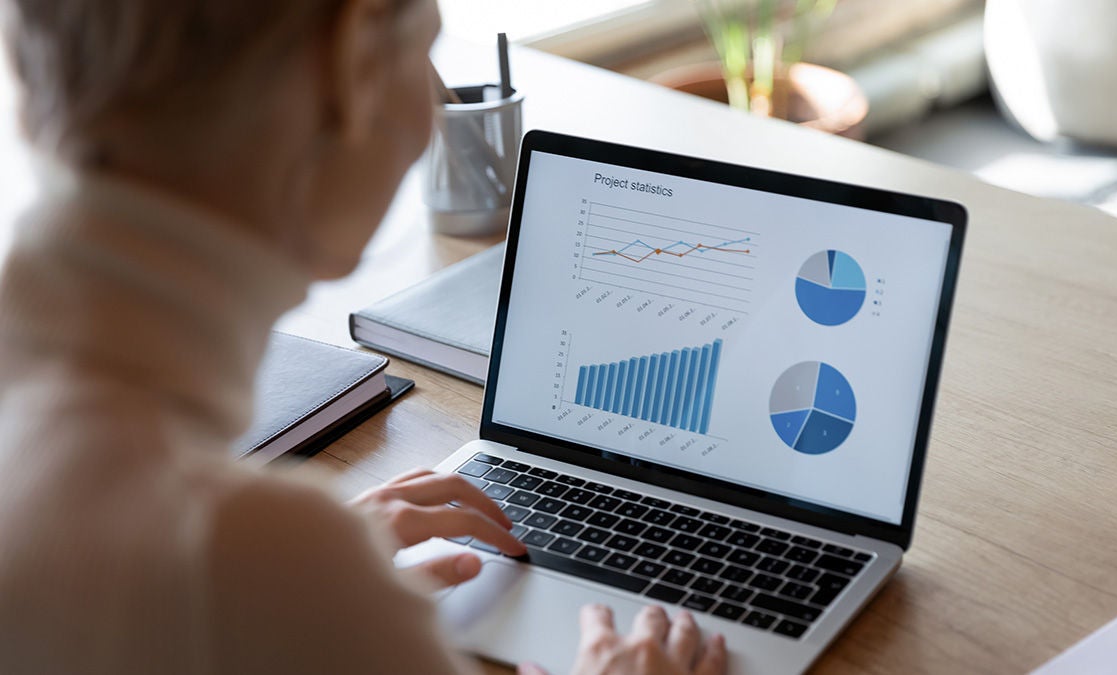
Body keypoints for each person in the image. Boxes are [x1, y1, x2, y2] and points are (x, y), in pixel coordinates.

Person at [0, 0, 728, 673]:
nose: (433, 111)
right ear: (351, 64)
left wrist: (286, 569)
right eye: (429, 54)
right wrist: (291, 566)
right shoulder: (229, 553)